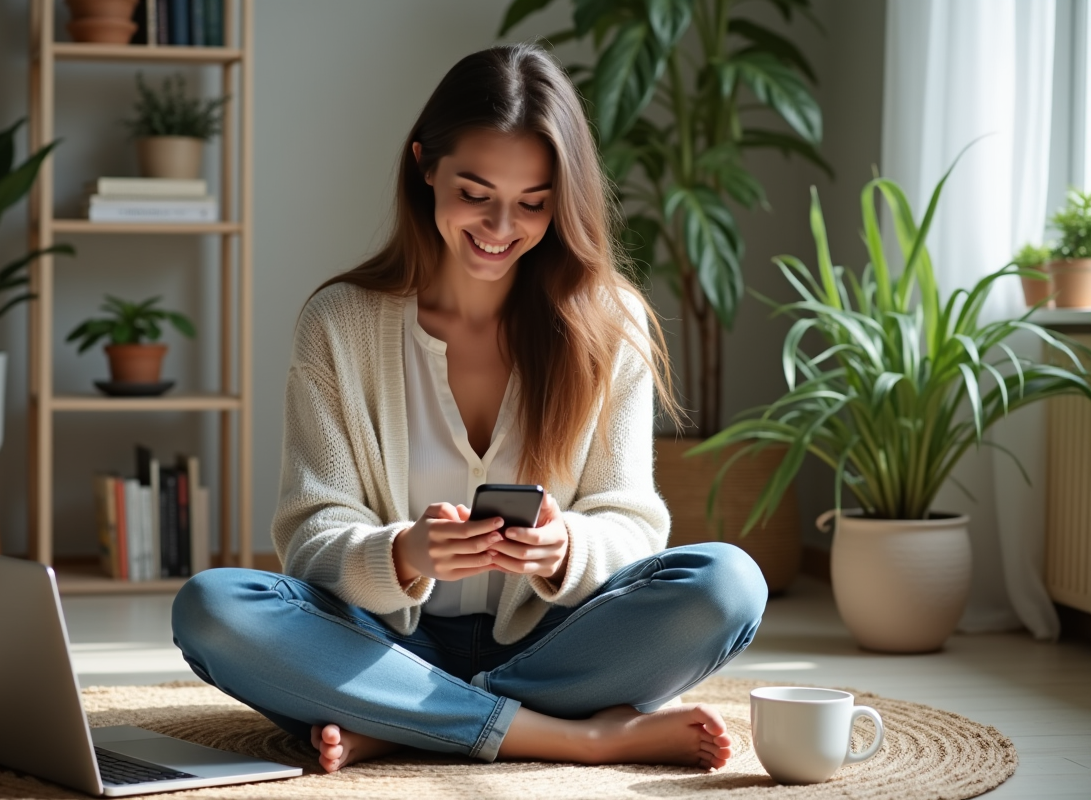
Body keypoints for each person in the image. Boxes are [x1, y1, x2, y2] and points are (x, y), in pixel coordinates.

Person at [172, 42, 767, 775]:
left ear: (563, 200)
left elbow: (633, 519)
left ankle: (405, 719)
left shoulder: (611, 323)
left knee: (729, 584)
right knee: (213, 608)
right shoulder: (338, 322)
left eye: (532, 203)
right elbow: (311, 529)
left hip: (556, 641)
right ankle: (566, 735)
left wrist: (566, 551)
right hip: (383, 641)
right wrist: (404, 553)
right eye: (475, 193)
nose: (499, 227)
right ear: (425, 165)